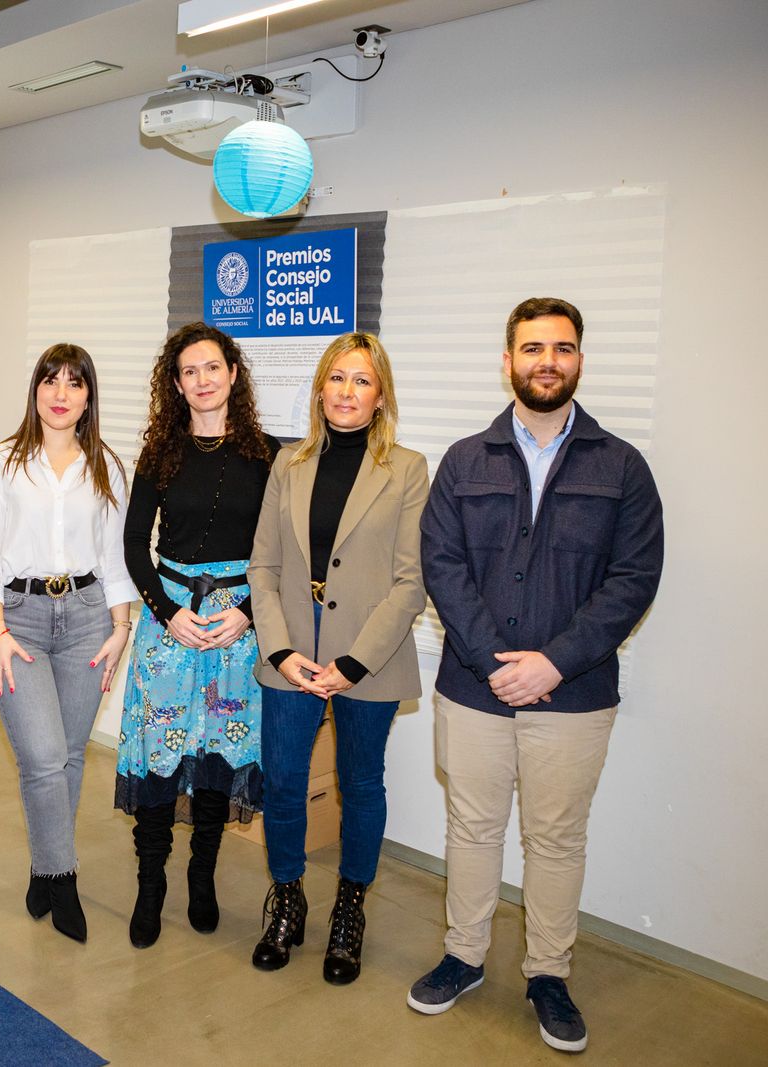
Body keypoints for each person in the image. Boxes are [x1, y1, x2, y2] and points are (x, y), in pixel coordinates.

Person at [407, 298, 662, 1053]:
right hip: (473, 689)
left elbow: (634, 578)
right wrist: (495, 662)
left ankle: (549, 973)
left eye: (562, 348)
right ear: (508, 360)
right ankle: (464, 956)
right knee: (472, 828)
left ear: (579, 360)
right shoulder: (464, 461)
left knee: (555, 840)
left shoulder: (622, 467)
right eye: (532, 347)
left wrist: (554, 661)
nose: (547, 361)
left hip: (574, 696)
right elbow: (442, 566)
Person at [247, 331, 429, 984]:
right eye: (337, 378)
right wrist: (280, 649)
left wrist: (352, 664)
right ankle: (288, 897)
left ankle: (350, 908)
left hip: (368, 657)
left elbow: (411, 581)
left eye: (362, 380)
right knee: (283, 782)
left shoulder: (407, 469)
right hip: (291, 654)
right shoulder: (287, 464)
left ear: (381, 397)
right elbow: (263, 567)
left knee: (361, 785)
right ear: (320, 389)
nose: (347, 391)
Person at [116, 322, 279, 949]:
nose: (203, 380)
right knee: (159, 757)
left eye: (213, 367)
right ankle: (149, 884)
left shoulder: (268, 455)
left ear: (233, 374)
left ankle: (202, 875)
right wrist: (166, 612)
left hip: (237, 626)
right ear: (176, 384)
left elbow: (283, 552)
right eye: (189, 371)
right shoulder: (160, 453)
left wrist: (250, 614)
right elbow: (135, 543)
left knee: (218, 756)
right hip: (170, 622)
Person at [0, 343, 136, 942]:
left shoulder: (107, 466)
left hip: (90, 617)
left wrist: (121, 629)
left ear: (89, 396)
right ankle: (63, 878)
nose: (61, 393)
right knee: (42, 757)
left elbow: (117, 558)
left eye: (74, 382)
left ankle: (44, 867)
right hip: (18, 618)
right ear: (35, 390)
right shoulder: (1, 464)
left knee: (69, 755)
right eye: (50, 380)